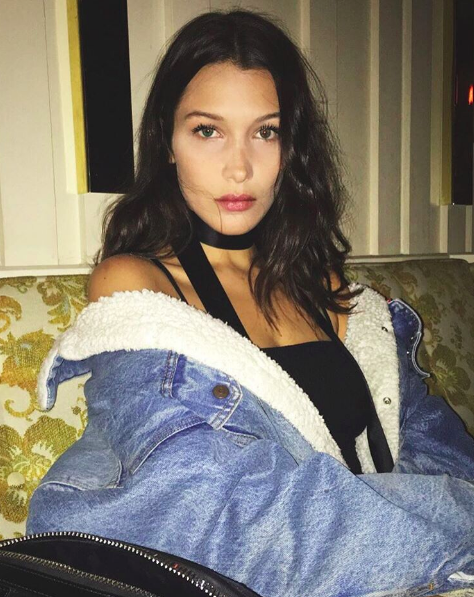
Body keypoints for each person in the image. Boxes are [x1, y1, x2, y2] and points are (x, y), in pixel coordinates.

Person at [27, 8, 474, 597]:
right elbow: (214, 508)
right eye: (207, 131)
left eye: (266, 132)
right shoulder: (137, 285)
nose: (239, 168)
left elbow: (443, 453)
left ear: (291, 147)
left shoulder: (327, 287)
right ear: (167, 141)